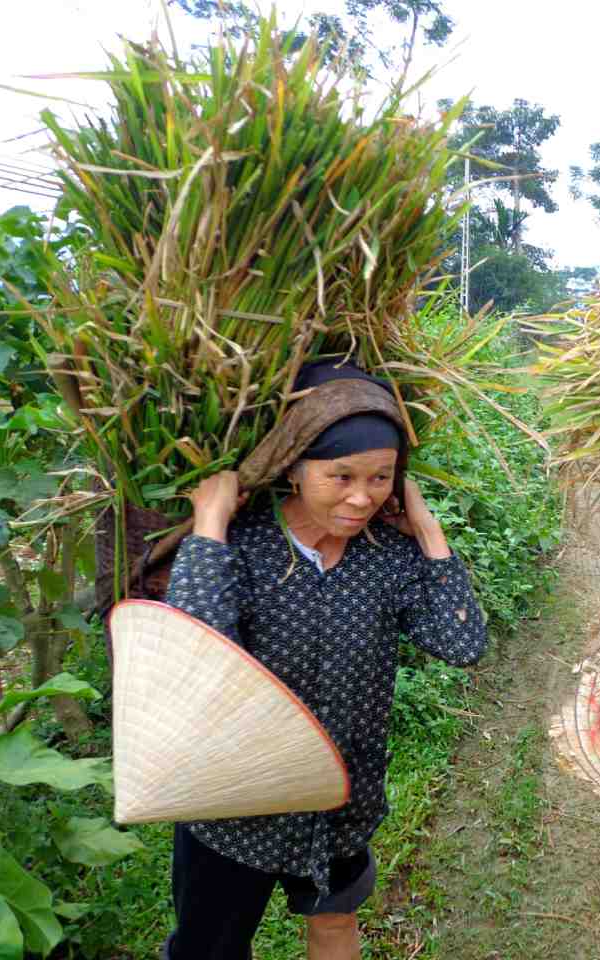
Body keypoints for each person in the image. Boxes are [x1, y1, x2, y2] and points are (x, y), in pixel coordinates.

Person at [160, 361, 487, 960]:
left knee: (335, 925)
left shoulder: (387, 558)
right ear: (293, 465)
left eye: (381, 478)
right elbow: (192, 657)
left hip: (342, 800)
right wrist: (208, 523)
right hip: (238, 808)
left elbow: (461, 644)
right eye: (341, 476)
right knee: (210, 947)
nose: (362, 497)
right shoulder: (245, 545)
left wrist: (430, 533)